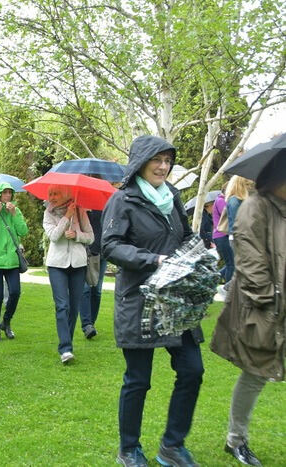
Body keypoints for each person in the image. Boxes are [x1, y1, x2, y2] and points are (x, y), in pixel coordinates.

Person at [102, 135, 203, 467]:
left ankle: (172, 445)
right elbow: (111, 246)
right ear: (140, 162)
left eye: (167, 161)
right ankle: (129, 449)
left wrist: (199, 251)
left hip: (177, 298)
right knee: (138, 379)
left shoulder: (172, 197)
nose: (163, 166)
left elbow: (185, 234)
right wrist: (154, 259)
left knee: (192, 370)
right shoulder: (123, 200)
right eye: (157, 160)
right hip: (139, 299)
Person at [210, 157, 285, 467]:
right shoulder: (255, 207)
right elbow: (251, 263)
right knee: (255, 373)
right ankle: (236, 440)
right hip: (264, 308)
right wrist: (272, 300)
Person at [44, 186, 93, 363]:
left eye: (55, 193)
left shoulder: (80, 210)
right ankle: (65, 349)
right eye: (50, 194)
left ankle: (68, 343)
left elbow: (91, 237)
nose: (52, 197)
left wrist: (77, 235)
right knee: (62, 305)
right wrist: (66, 217)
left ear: (65, 194)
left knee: (73, 306)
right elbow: (54, 237)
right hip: (57, 264)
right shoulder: (48, 214)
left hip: (78, 264)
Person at [0, 182, 29, 341]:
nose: (8, 196)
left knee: (15, 292)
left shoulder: (16, 211)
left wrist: (14, 214)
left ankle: (6, 322)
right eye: (4, 193)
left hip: (12, 261)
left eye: (10, 193)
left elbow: (23, 231)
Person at [79, 208, 104, 339]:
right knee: (85, 289)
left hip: (102, 251)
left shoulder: (104, 205)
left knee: (97, 290)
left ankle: (91, 324)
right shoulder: (81, 207)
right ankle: (87, 325)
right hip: (84, 250)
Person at [213, 185, 234, 286]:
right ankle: (228, 288)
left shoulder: (220, 200)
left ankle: (213, 278)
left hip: (222, 236)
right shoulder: (221, 200)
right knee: (231, 264)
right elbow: (227, 215)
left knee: (230, 263)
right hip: (222, 235)